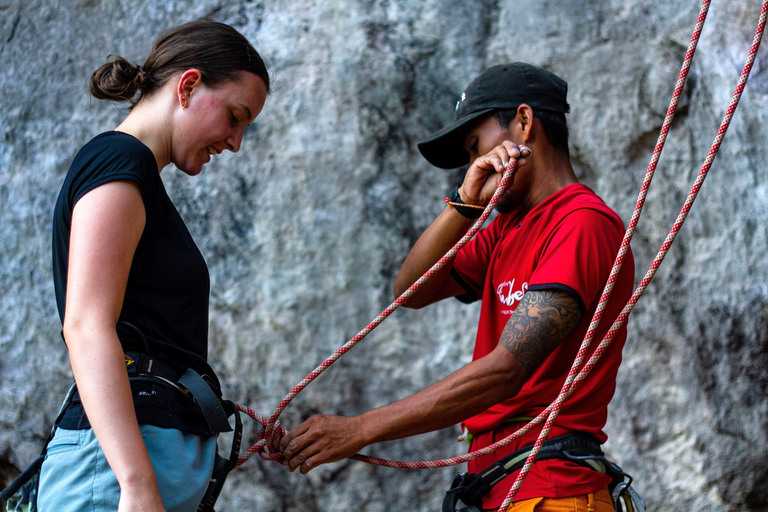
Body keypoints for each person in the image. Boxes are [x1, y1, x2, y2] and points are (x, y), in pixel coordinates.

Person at [279, 63, 635, 511]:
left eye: (474, 147)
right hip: (503, 485)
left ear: (524, 124)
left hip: (551, 488)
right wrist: (463, 203)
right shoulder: (505, 227)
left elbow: (507, 368)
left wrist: (363, 428)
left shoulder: (582, 224)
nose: (475, 164)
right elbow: (409, 291)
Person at [38, 20, 269, 512]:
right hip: (115, 477)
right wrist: (137, 483)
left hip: (126, 471)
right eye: (234, 116)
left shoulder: (135, 175)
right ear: (187, 86)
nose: (235, 142)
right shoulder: (119, 161)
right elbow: (85, 325)